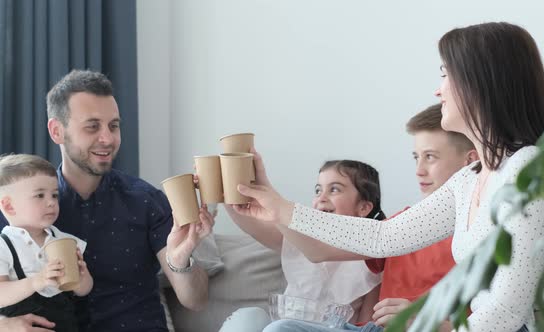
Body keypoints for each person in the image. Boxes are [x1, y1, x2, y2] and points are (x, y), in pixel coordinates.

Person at [233, 22, 544, 332]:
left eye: (446, 75)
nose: (438, 89)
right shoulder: (472, 179)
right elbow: (383, 236)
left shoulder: (532, 169)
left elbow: (505, 316)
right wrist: (276, 205)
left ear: (481, 83)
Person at [0, 70, 213, 331]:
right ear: (57, 131)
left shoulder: (146, 201)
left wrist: (181, 260)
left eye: (114, 126)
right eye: (92, 126)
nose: (108, 138)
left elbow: (196, 300)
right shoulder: (23, 208)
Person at [259, 104, 477, 332]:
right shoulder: (402, 223)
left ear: (470, 161)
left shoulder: (482, 231)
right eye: (416, 158)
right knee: (281, 329)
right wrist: (271, 205)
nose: (419, 170)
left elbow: (496, 321)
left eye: (430, 157)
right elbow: (317, 250)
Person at [218, 159, 384, 332]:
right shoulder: (301, 240)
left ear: (364, 207)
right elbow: (253, 225)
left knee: (278, 328)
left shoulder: (371, 260)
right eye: (318, 190)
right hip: (285, 326)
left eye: (334, 189)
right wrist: (226, 192)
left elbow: (366, 327)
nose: (322, 198)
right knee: (250, 316)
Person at [0, 154, 93, 332]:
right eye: (39, 195)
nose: (51, 202)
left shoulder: (65, 240)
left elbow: (84, 291)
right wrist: (37, 281)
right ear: (9, 206)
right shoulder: (3, 246)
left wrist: (82, 277)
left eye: (55, 195)